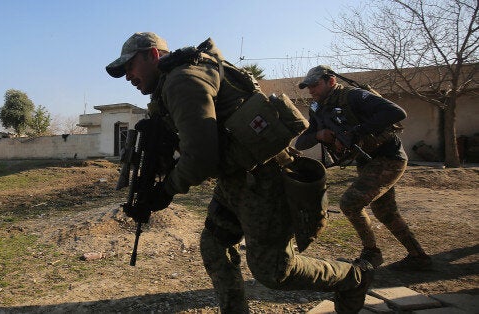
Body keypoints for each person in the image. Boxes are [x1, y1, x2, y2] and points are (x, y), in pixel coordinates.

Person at [107, 32, 374, 313]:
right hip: (236, 178)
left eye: (130, 66)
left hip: (264, 180)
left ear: (153, 54)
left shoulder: (181, 80)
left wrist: (165, 190)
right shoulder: (172, 83)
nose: (128, 77)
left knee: (274, 271)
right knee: (215, 244)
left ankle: (354, 278)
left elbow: (200, 157)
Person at [295, 65, 432, 271]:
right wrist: (318, 135)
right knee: (386, 212)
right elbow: (301, 143)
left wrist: (356, 132)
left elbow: (396, 112)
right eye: (308, 87)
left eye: (315, 85)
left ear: (331, 81)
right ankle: (418, 257)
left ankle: (372, 253)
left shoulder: (354, 96)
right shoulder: (318, 110)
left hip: (388, 158)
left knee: (349, 203)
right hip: (366, 162)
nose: (311, 90)